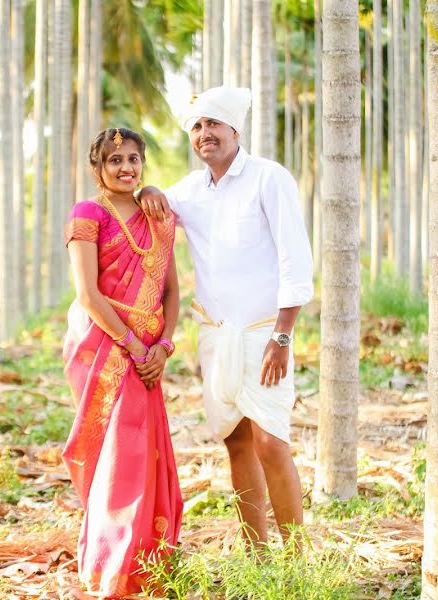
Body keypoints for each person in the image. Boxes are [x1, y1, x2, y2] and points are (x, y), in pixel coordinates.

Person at [138, 86, 314, 548]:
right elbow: (153, 207)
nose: (204, 134)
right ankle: (257, 557)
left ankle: (297, 558)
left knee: (271, 443)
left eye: (213, 124)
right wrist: (151, 189)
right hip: (215, 338)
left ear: (234, 130)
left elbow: (295, 259)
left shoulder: (268, 178)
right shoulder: (191, 190)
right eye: (196, 127)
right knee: (236, 443)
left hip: (265, 337)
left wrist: (283, 336)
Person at [62, 127, 183, 598]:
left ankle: (149, 563)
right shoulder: (87, 214)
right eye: (115, 160)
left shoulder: (158, 214)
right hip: (105, 348)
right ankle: (110, 567)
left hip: (149, 352)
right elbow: (88, 294)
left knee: (145, 452)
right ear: (98, 168)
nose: (126, 168)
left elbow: (171, 291)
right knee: (115, 456)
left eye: (133, 159)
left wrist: (164, 346)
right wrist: (134, 346)